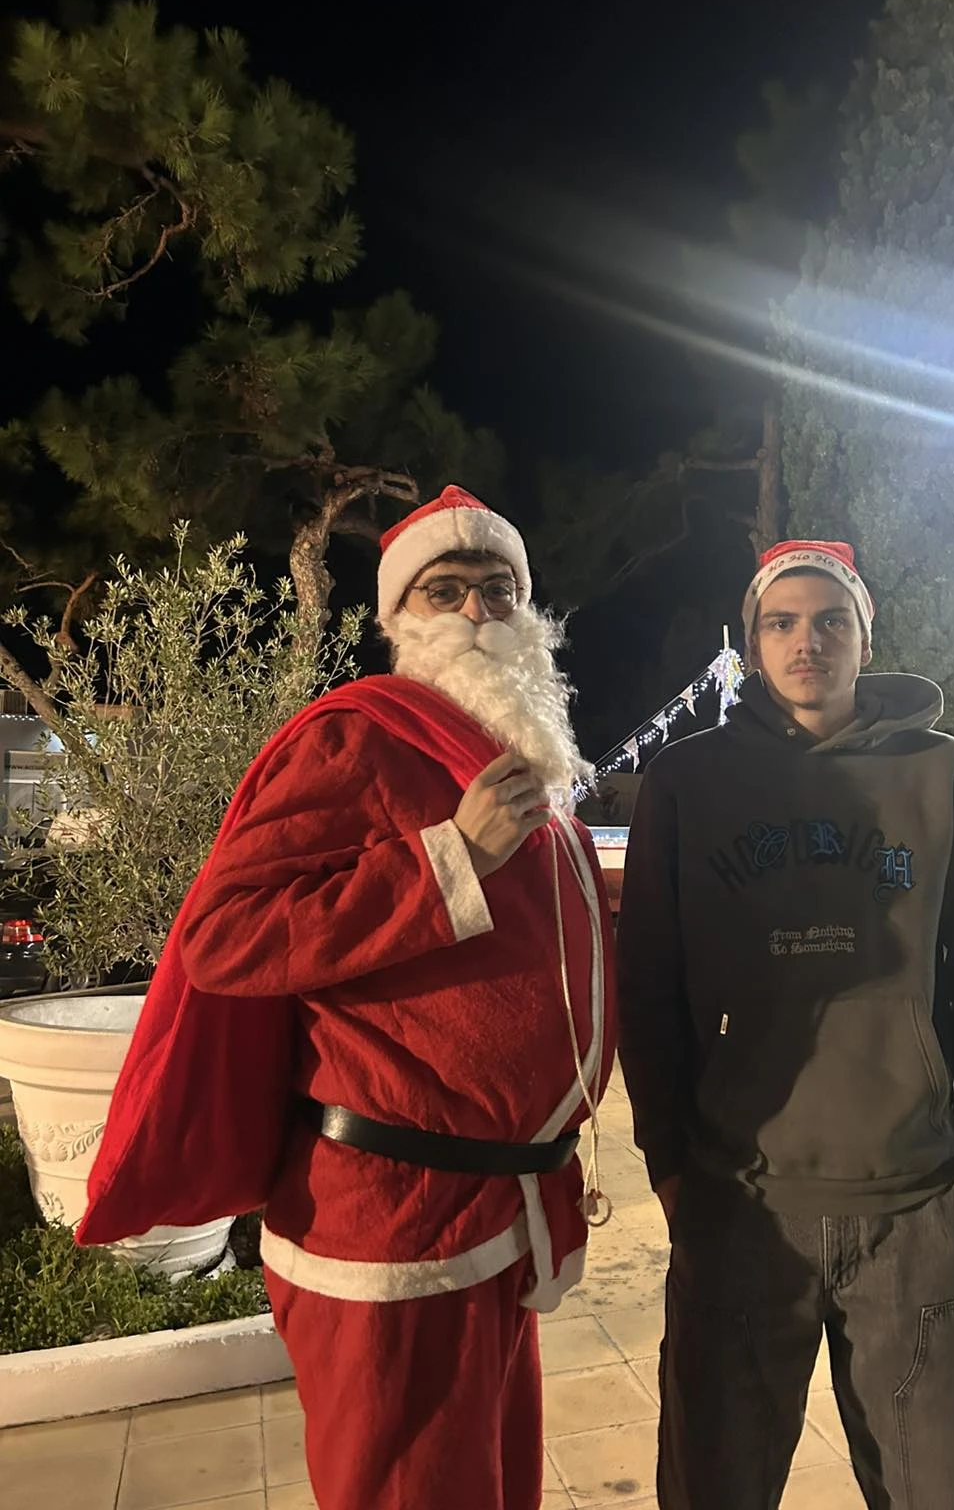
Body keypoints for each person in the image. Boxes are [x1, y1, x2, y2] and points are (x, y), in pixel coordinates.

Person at [77, 485, 616, 1510]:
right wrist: (446, 862)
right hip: (392, 1225)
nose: (477, 611)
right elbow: (225, 936)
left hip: (497, 1216)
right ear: (395, 618)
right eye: (444, 590)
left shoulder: (521, 761)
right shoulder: (351, 740)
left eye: (498, 588)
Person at [616, 538, 954, 1510]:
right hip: (739, 1208)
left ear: (865, 635)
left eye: (830, 620)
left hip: (915, 1210)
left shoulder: (945, 775)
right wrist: (671, 1166)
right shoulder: (688, 782)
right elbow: (649, 991)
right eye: (782, 622)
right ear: (753, 641)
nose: (807, 641)